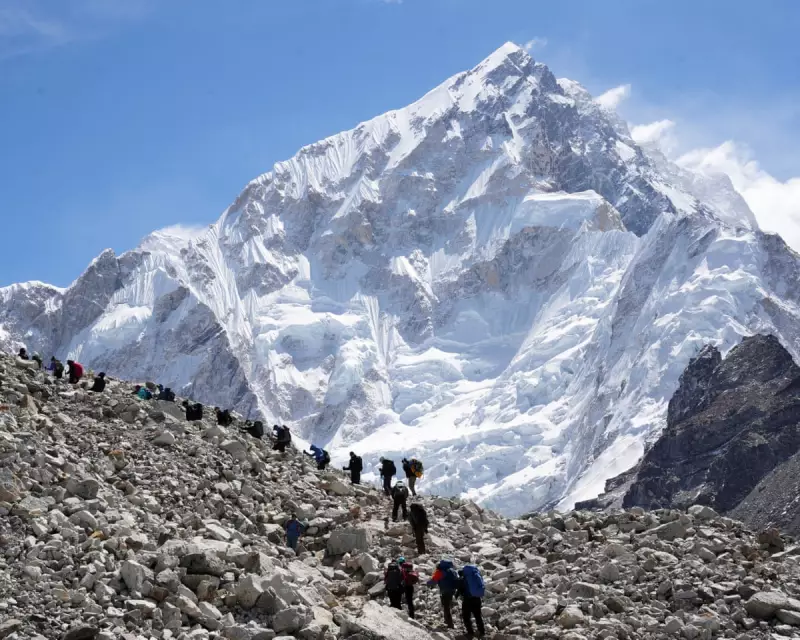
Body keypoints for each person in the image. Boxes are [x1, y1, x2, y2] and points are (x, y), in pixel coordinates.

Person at [427, 559, 460, 629]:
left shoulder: (440, 572)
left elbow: (433, 581)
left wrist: (427, 583)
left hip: (445, 591)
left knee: (446, 607)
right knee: (447, 606)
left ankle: (449, 624)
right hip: (452, 591)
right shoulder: (452, 571)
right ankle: (447, 622)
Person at [458, 566, 486, 637]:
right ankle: (482, 632)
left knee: (466, 616)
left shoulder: (463, 579)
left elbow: (460, 590)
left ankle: (470, 632)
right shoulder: (476, 575)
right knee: (478, 616)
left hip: (467, 600)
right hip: (477, 599)